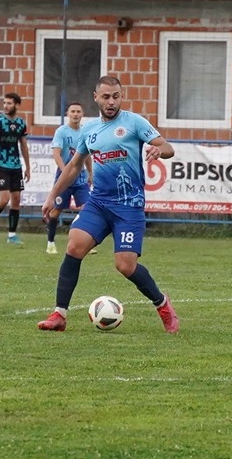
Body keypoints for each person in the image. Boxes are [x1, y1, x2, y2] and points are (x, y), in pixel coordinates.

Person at [37, 75, 179, 333]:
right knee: (74, 245)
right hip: (99, 203)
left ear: (121, 96)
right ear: (96, 98)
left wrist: (159, 150)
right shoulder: (89, 130)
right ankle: (59, 314)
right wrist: (52, 196)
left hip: (129, 206)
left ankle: (163, 304)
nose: (111, 102)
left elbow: (167, 146)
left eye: (116, 96)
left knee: (125, 266)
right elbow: (74, 166)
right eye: (106, 97)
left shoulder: (134, 122)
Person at [0, 92, 31, 247]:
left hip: (16, 166)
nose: (6, 106)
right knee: (4, 199)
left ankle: (12, 235)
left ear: (17, 105)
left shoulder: (21, 123)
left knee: (16, 199)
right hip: (1, 165)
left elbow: (24, 146)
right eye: (4, 103)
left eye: (9, 103)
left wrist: (28, 167)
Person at [45, 102, 94, 255]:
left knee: (87, 208)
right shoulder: (61, 132)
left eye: (78, 111)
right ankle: (50, 242)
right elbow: (56, 153)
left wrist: (90, 173)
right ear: (68, 114)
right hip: (64, 178)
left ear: (82, 114)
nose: (75, 114)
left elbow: (86, 156)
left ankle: (84, 242)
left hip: (80, 178)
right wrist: (64, 171)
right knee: (56, 210)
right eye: (73, 111)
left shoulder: (85, 132)